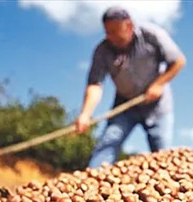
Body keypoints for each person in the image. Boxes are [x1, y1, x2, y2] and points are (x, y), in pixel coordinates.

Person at [75, 6, 186, 168]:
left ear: (129, 26)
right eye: (107, 32)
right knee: (107, 144)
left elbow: (178, 61)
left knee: (162, 154)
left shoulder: (152, 35)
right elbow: (95, 84)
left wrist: (158, 84)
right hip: (125, 104)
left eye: (115, 32)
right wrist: (85, 114)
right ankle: (92, 178)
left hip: (158, 105)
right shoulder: (102, 51)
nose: (110, 37)